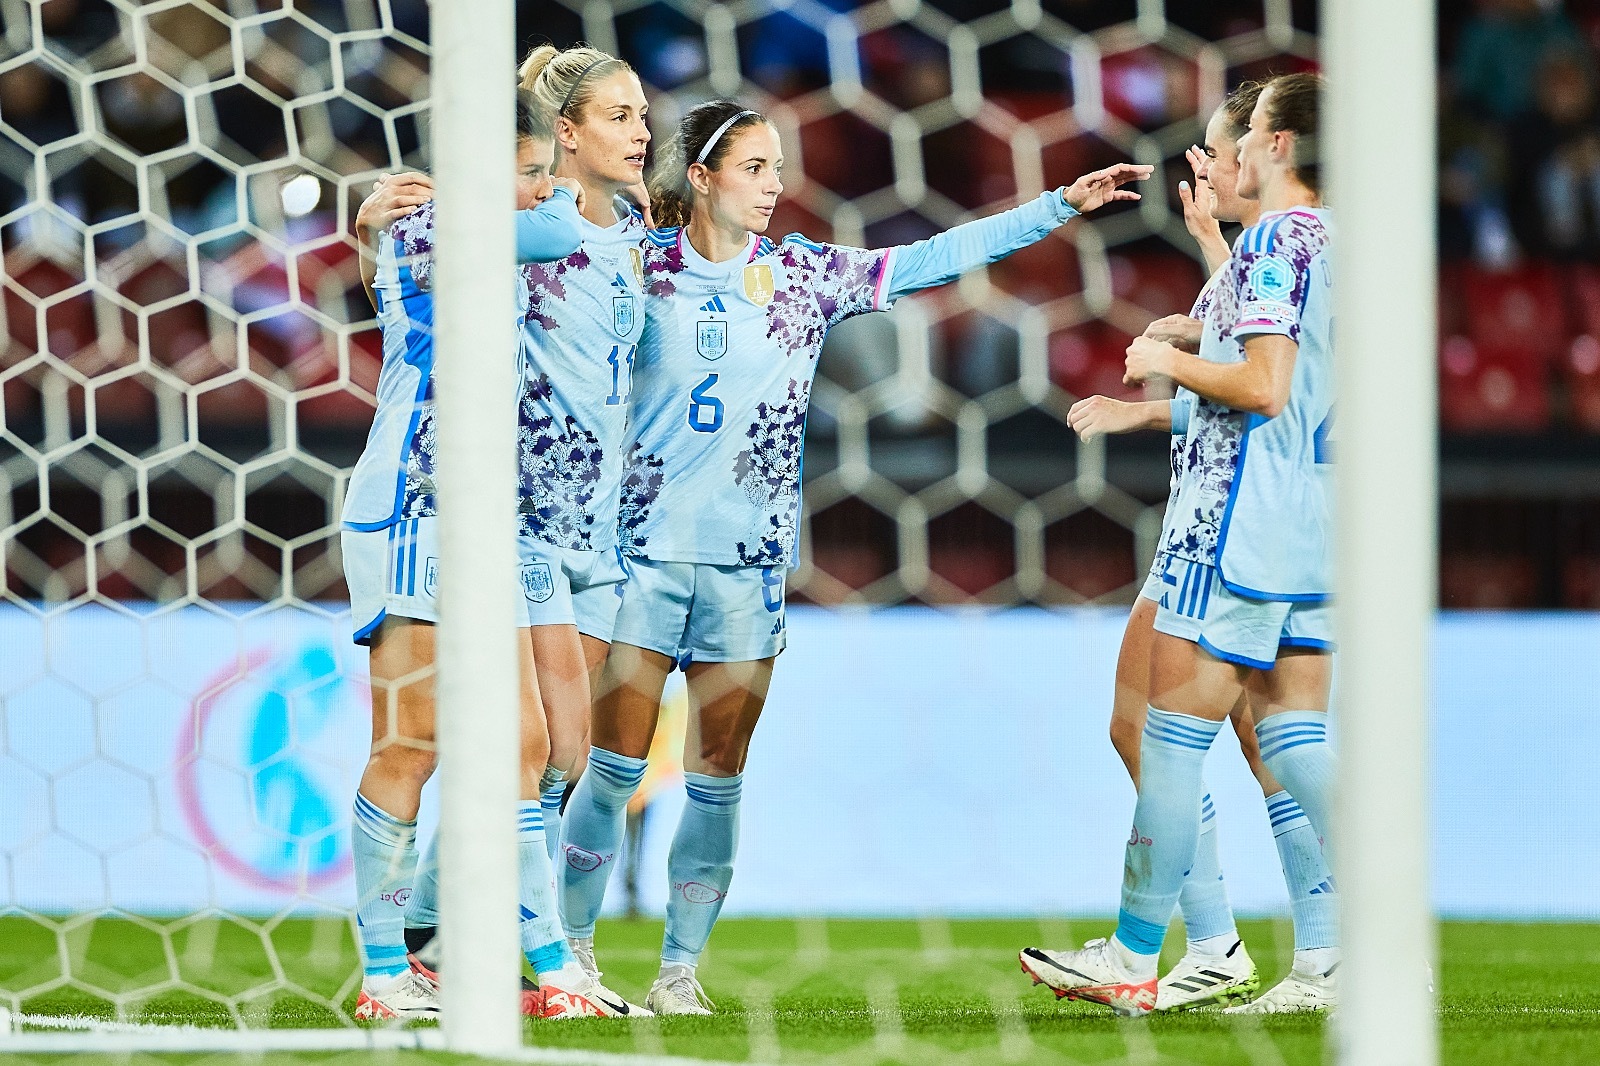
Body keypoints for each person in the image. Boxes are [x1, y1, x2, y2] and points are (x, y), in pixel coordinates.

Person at [554, 97, 1151, 1015]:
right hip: (640, 558)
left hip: (748, 566)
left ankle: (679, 972)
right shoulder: (636, 267)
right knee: (614, 771)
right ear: (702, 178)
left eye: (778, 168)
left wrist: (1056, 206)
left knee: (717, 778)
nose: (774, 186)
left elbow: (933, 259)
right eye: (754, 168)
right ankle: (574, 960)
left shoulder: (801, 275)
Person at [1020, 72, 1335, 1017]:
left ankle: (1148, 951)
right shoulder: (1336, 241)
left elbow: (1264, 388)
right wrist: (1205, 293)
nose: (1216, 161)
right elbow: (1290, 377)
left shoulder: (1278, 241)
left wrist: (1166, 359)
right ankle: (1340, 951)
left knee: (1166, 739)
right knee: (1292, 741)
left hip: (1234, 521)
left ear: (1276, 144)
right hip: (1308, 517)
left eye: (1235, 141)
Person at [366, 44, 660, 1019]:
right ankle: (515, 961)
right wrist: (372, 228)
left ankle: (430, 942)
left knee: (555, 754)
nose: (643, 132)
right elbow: (444, 281)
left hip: (557, 520)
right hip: (470, 508)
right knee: (488, 750)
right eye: (620, 114)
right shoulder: (502, 227)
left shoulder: (611, 231)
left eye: (642, 114)